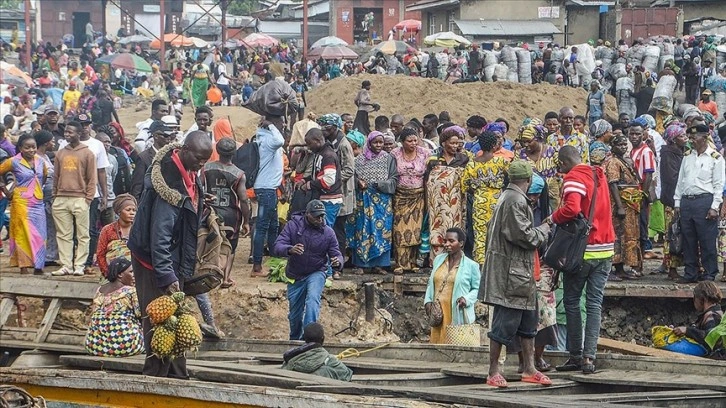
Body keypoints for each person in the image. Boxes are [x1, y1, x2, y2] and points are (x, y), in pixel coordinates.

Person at [127, 131, 213, 378]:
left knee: (177, 315)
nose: (201, 164)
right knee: (159, 318)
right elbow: (160, 235)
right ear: (184, 150)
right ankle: (153, 378)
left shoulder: (189, 171)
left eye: (205, 161)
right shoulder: (169, 182)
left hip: (174, 254)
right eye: (198, 159)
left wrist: (198, 203)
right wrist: (166, 275)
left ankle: (177, 374)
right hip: (155, 259)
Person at [481, 161, 552, 388]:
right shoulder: (515, 201)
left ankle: (530, 368)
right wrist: (544, 230)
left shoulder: (508, 197)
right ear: (529, 180)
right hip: (512, 272)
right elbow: (524, 236)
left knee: (528, 323)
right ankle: (493, 370)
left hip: (520, 271)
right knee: (504, 323)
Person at [553, 145, 614, 375]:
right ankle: (590, 357)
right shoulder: (598, 174)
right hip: (606, 249)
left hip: (583, 250)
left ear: (563, 162)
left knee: (571, 301)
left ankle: (575, 355)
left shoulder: (573, 177)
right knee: (594, 303)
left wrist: (552, 218)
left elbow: (571, 208)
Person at [272, 200, 343, 340]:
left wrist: (337, 262)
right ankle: (295, 339)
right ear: (307, 214)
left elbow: (337, 253)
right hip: (296, 275)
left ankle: (309, 339)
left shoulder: (328, 232)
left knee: (312, 300)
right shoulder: (293, 226)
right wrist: (290, 249)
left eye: (322, 216)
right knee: (294, 315)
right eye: (316, 216)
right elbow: (277, 245)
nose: (320, 219)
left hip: (317, 271)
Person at [674, 124, 725, 283]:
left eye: (694, 138)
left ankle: (709, 273)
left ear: (704, 137)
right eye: (689, 137)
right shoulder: (687, 156)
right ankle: (691, 273)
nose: (691, 141)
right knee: (688, 239)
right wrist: (677, 202)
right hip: (687, 201)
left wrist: (714, 207)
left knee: (707, 239)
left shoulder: (715, 158)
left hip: (705, 201)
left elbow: (718, 184)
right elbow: (680, 181)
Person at [202, 137, 251, 287]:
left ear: (217, 150)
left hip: (210, 212)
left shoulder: (206, 168)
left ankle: (207, 274)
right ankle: (225, 278)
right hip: (231, 215)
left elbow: (200, 188)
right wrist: (246, 221)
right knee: (230, 246)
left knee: (209, 242)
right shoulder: (239, 174)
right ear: (234, 153)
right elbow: (243, 199)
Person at [51, 121, 98, 277]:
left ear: (79, 134)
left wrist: (88, 199)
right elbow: (55, 176)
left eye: (71, 132)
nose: (67, 134)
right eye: (66, 132)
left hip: (80, 198)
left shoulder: (87, 153)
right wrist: (54, 196)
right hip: (61, 198)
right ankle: (66, 265)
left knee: (83, 235)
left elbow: (92, 178)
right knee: (63, 234)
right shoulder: (60, 153)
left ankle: (79, 265)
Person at [348, 131, 398, 275]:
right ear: (369, 143)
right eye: (375, 142)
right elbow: (353, 176)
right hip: (363, 199)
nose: (378, 145)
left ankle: (380, 265)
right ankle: (361, 264)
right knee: (362, 229)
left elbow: (394, 178)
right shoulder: (359, 159)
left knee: (382, 230)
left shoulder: (388, 158)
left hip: (382, 201)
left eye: (381, 142)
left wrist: (380, 184)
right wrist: (359, 182)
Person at [0, 133, 47, 274]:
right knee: (23, 233)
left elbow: (43, 176)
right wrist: (5, 188)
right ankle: (24, 266)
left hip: (38, 201)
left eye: (33, 147)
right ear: (20, 148)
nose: (31, 150)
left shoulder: (40, 161)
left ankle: (38, 266)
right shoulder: (13, 161)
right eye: (27, 147)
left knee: (39, 234)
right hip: (21, 201)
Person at [424, 227, 480, 344]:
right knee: (438, 347)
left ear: (461, 243)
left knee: (456, 346)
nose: (447, 244)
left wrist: (466, 299)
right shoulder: (438, 260)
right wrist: (428, 301)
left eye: (451, 241)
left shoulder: (471, 265)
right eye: (445, 241)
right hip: (439, 314)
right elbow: (431, 284)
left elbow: (477, 289)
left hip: (457, 313)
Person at [461, 131, 510, 265]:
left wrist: (478, 189)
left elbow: (464, 186)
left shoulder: (472, 164)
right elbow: (512, 177)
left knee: (480, 236)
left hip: (479, 203)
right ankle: (497, 263)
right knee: (497, 234)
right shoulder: (501, 162)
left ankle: (481, 267)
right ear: (495, 145)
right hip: (497, 202)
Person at [317, 114, 355, 275]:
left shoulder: (343, 144)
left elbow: (349, 169)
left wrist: (334, 181)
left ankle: (338, 267)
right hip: (334, 191)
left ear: (334, 128)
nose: (323, 130)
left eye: (326, 128)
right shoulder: (331, 143)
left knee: (338, 230)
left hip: (342, 192)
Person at [84, 258, 144, 357]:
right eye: (131, 272)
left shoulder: (99, 290)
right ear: (120, 275)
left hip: (94, 346)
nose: (134, 275)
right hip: (125, 346)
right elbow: (140, 315)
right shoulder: (130, 291)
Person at [425, 126, 469, 259]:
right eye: (452, 143)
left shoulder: (463, 160)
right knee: (437, 229)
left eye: (457, 143)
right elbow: (428, 182)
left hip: (455, 205)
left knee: (454, 229)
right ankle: (437, 259)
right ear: (444, 143)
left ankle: (454, 259)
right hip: (436, 204)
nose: (456, 146)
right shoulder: (433, 160)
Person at [604, 134, 643, 281]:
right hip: (620, 205)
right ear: (613, 147)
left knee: (628, 235)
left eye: (625, 145)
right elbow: (613, 184)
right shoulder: (613, 162)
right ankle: (613, 268)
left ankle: (621, 268)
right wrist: (619, 206)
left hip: (630, 204)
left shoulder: (625, 161)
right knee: (618, 235)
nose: (623, 147)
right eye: (620, 145)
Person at [391, 128, 430, 274]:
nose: (413, 143)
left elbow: (428, 174)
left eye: (415, 140)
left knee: (416, 229)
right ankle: (401, 263)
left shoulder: (424, 153)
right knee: (400, 229)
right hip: (401, 196)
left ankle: (413, 262)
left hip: (418, 196)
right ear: (402, 142)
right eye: (409, 141)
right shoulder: (395, 154)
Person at [251, 116, 285, 277]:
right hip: (266, 189)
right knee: (263, 228)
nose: (283, 124)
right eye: (280, 122)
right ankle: (257, 267)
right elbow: (280, 141)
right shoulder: (269, 141)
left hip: (268, 189)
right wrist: (272, 125)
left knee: (273, 227)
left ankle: (274, 261)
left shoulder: (264, 140)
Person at [660, 122, 687, 280]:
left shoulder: (679, 152)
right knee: (672, 233)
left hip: (678, 199)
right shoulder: (669, 154)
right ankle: (671, 268)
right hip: (672, 199)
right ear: (673, 139)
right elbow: (672, 178)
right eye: (681, 136)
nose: (685, 138)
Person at [281, 322, 353, 381]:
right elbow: (347, 374)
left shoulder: (290, 358)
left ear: (305, 339)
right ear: (323, 339)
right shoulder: (328, 359)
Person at [671, 281, 724, 358]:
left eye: (695, 298)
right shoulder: (713, 313)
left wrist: (687, 330)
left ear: (702, 299)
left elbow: (709, 339)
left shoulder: (712, 316)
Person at [130, 120, 176, 200]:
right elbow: (137, 187)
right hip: (149, 203)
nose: (169, 138)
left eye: (171, 136)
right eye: (165, 135)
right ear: (156, 136)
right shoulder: (143, 158)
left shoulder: (173, 156)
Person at [95, 194, 136, 277]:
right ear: (119, 212)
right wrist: (108, 273)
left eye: (134, 210)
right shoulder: (107, 230)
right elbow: (100, 254)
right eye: (128, 210)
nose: (132, 213)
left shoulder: (138, 229)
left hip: (135, 275)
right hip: (111, 275)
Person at [35, 130, 58, 266]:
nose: (54, 143)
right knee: (46, 227)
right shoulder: (37, 158)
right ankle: (45, 256)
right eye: (52, 140)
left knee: (50, 226)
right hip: (43, 197)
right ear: (45, 142)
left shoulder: (45, 156)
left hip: (49, 195)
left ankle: (50, 255)